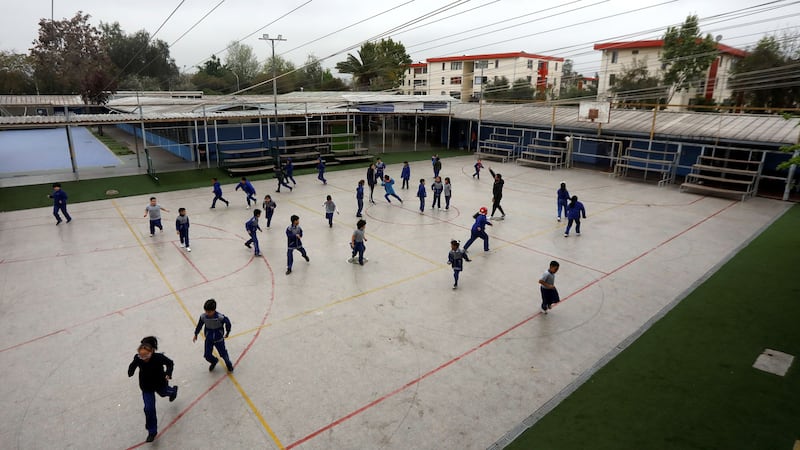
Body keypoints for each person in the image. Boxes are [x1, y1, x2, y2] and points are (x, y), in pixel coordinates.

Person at [127, 336, 178, 443]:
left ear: (152, 352)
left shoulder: (159, 357)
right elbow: (133, 365)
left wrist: (168, 373)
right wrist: (131, 370)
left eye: (146, 355)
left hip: (160, 383)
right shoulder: (138, 358)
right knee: (148, 409)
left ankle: (173, 391)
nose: (144, 358)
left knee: (164, 393)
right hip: (146, 387)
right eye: (141, 356)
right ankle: (152, 431)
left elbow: (170, 363)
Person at [192, 298, 234, 372]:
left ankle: (228, 364)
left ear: (214, 310)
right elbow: (199, 325)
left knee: (223, 354)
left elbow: (228, 323)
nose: (207, 313)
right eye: (206, 311)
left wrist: (227, 332)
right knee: (207, 355)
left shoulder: (220, 317)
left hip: (219, 340)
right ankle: (214, 361)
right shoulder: (203, 317)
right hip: (209, 339)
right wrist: (196, 334)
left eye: (209, 312)